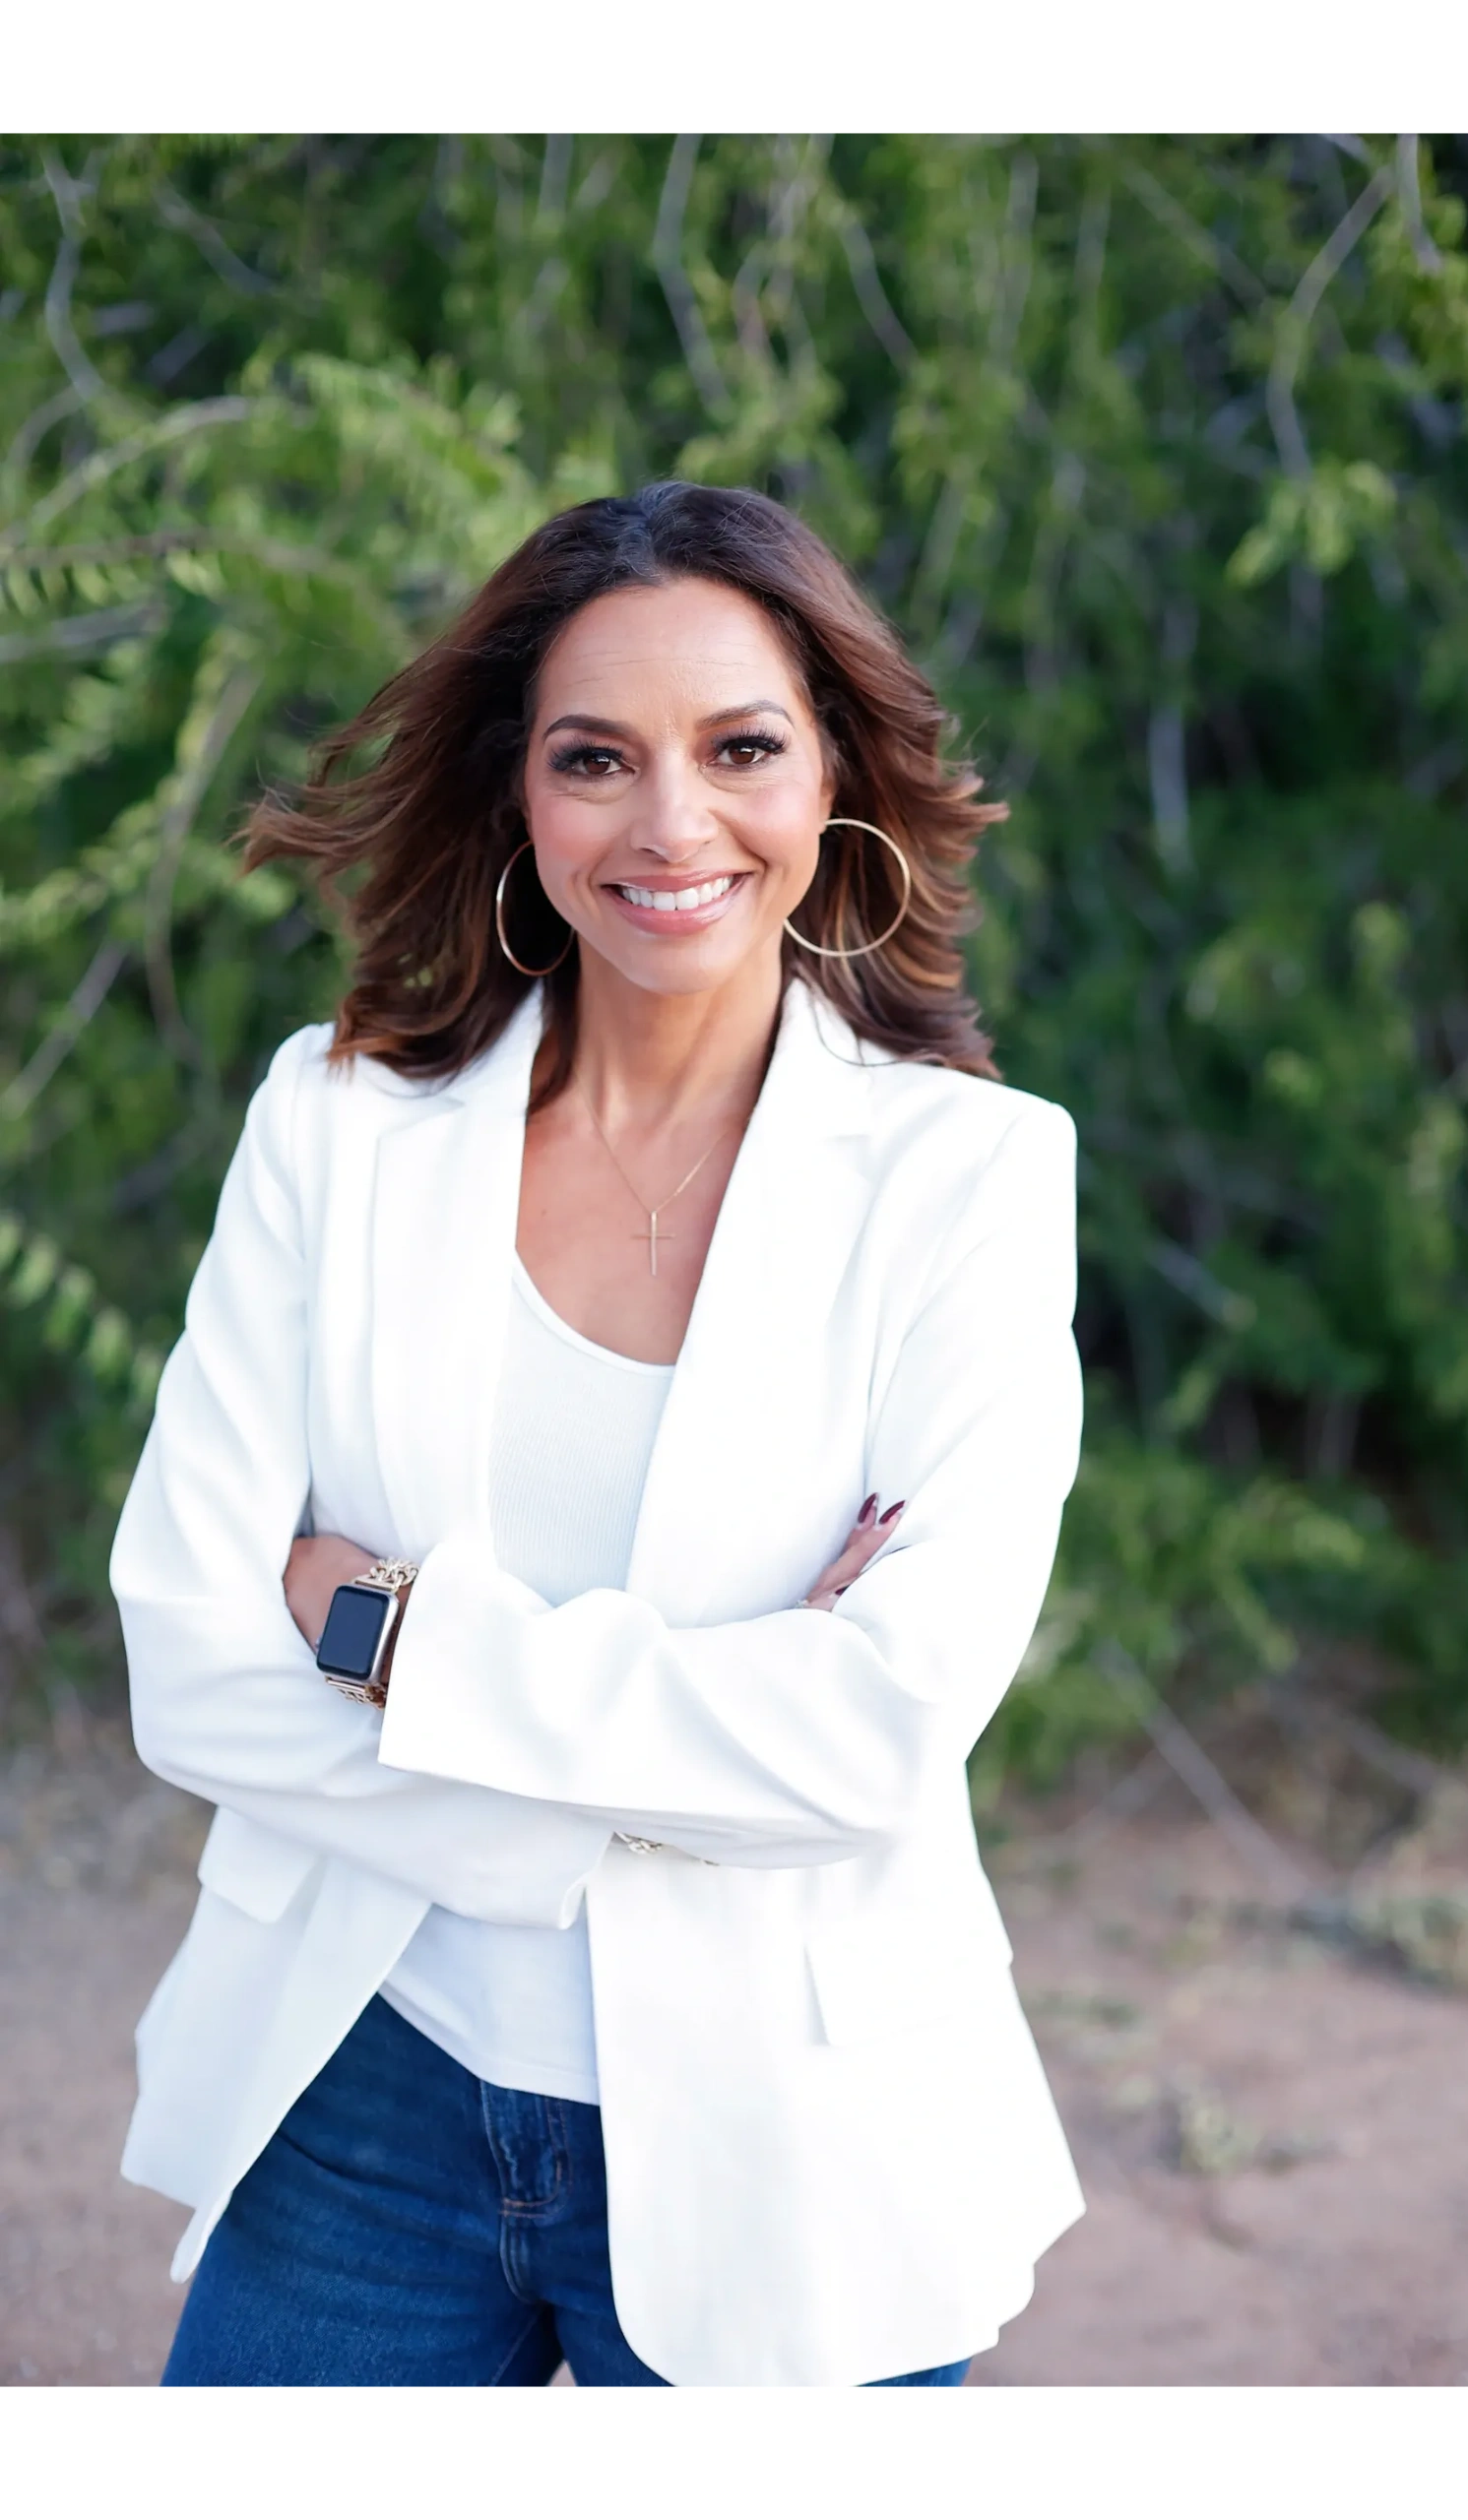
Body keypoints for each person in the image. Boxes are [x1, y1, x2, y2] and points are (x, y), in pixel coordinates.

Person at [111, 481, 1085, 2394]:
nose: (669, 824)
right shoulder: (332, 1125)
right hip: (367, 2082)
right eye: (593, 758)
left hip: (791, 2122)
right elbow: (187, 1660)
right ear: (517, 794)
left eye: (738, 748)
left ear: (833, 781)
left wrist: (400, 1643)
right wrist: (685, 1759)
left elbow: (876, 1731)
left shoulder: (967, 1177)